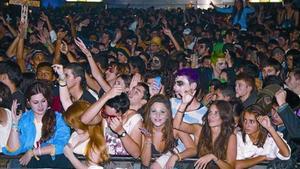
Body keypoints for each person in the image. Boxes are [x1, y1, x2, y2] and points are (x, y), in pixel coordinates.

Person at [2, 80, 70, 168]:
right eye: (35, 102)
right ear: (28, 102)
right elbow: (13, 150)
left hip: (54, 164)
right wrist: (15, 123)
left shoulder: (58, 119)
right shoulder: (25, 119)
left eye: (43, 101)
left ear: (48, 100)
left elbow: (61, 145)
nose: (40, 106)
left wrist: (33, 152)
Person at [173, 100, 237, 169]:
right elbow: (177, 125)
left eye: (216, 113)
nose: (211, 116)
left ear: (224, 116)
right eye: (210, 112)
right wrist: (184, 104)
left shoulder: (230, 137)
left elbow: (230, 167)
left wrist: (214, 158)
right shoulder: (199, 130)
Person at [140, 94, 196, 168]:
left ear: (168, 114)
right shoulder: (144, 128)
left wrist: (176, 156)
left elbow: (193, 149)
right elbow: (145, 163)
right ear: (149, 114)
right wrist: (148, 140)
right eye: (154, 111)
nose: (157, 115)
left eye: (162, 112)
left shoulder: (175, 128)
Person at [235, 104, 291, 169]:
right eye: (245, 120)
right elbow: (236, 165)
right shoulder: (238, 137)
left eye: (251, 121)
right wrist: (262, 157)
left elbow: (286, 154)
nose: (247, 125)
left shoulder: (271, 138)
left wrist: (270, 129)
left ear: (260, 123)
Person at [63, 100, 109, 169]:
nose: (71, 127)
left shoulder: (95, 139)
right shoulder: (75, 134)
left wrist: (70, 156)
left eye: (73, 123)